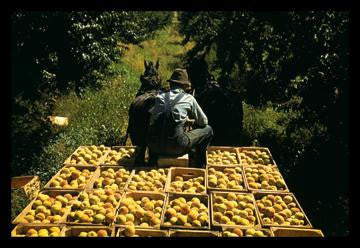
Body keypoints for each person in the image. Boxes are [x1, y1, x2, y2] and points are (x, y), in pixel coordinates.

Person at [147, 68, 213, 168]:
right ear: (184, 86)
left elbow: (153, 121)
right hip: (177, 146)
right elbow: (204, 122)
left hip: (154, 145)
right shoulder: (189, 98)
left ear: (171, 84)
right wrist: (191, 122)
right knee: (208, 129)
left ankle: (151, 160)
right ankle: (199, 163)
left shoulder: (159, 97)